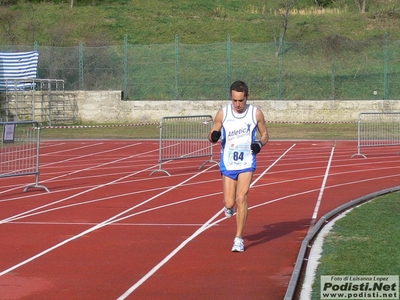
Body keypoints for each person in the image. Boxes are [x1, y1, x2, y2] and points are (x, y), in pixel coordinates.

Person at [208, 80, 269, 252]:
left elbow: (265, 135)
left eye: (241, 100)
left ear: (247, 97)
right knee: (229, 202)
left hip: (247, 162)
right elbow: (213, 132)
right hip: (228, 162)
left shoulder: (255, 113)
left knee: (241, 198)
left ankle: (238, 238)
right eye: (234, 100)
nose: (237, 104)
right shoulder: (223, 113)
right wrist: (213, 136)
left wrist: (259, 144)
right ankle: (228, 208)